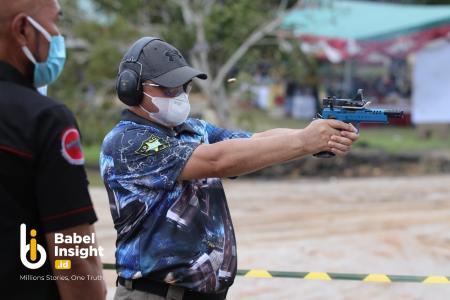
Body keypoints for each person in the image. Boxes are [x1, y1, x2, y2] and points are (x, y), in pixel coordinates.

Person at [101, 37, 359, 300]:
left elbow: (254, 141)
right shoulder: (128, 142)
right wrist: (304, 141)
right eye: (169, 88)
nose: (180, 94)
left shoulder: (191, 129)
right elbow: (216, 161)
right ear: (131, 89)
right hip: (155, 294)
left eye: (184, 86)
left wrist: (317, 135)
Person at [0, 1, 106, 299]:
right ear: (22, 29)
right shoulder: (43, 119)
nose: (57, 36)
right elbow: (74, 254)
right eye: (54, 24)